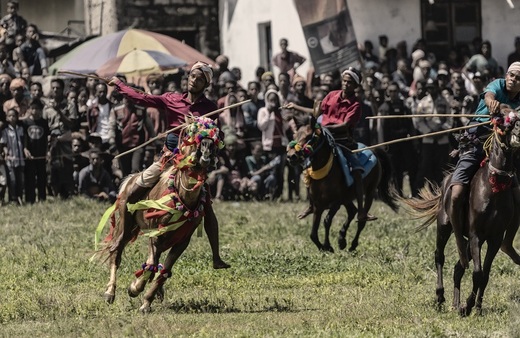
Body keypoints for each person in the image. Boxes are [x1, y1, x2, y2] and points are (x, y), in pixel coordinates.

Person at [108, 61, 229, 269]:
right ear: (188, 78)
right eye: (193, 76)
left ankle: (216, 257)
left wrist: (211, 136)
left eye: (200, 79)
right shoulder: (171, 99)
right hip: (168, 159)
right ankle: (122, 235)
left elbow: (218, 136)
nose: (194, 81)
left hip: (193, 167)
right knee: (135, 189)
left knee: (207, 206)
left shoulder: (210, 108)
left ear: (205, 84)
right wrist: (120, 85)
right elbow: (144, 98)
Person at [449, 62, 520, 267]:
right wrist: (493, 104)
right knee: (455, 194)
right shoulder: (496, 85)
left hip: (503, 150)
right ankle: (460, 244)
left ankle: (507, 243)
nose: (512, 79)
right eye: (510, 75)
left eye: (517, 78)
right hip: (477, 141)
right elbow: (489, 96)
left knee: (517, 198)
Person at [22, 99, 48, 203]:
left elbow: (46, 138)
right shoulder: (25, 123)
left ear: (41, 110)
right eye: (32, 108)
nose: (35, 111)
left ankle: (42, 198)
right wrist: (25, 149)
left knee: (42, 177)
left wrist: (47, 151)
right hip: (30, 154)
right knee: (30, 178)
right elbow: (24, 138)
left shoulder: (44, 122)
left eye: (37, 109)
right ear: (29, 109)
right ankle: (30, 199)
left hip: (41, 154)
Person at [0, 108, 25, 204]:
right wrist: (6, 153)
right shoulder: (5, 131)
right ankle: (12, 198)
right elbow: (4, 144)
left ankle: (20, 197)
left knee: (20, 180)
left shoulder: (20, 129)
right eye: (10, 116)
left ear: (17, 117)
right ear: (6, 118)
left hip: (20, 159)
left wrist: (25, 150)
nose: (12, 118)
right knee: (12, 180)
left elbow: (23, 141)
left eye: (14, 116)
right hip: (10, 160)